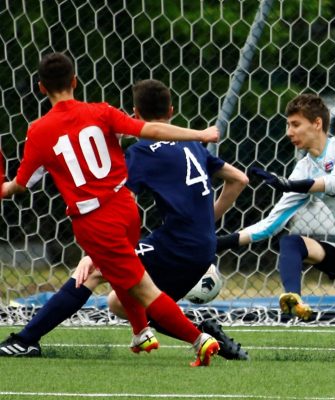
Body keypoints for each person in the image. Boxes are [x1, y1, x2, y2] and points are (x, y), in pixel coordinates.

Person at [0, 79, 249, 360]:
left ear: (134, 113)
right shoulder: (191, 144)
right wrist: (205, 222)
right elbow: (239, 179)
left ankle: (25, 339)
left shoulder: (141, 153)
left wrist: (95, 252)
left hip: (176, 244)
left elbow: (122, 202)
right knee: (119, 302)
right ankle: (196, 334)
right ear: (171, 111)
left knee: (93, 272)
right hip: (202, 247)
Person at [217, 93, 335, 320]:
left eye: (295, 124)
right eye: (288, 125)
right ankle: (293, 302)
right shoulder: (304, 168)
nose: (289, 132)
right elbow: (270, 224)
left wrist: (290, 185)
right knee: (291, 243)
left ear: (317, 123)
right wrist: (216, 244)